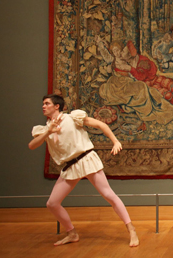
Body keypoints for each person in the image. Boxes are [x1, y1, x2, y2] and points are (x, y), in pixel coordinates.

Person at [29, 94, 139, 247]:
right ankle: (71, 232)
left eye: (47, 103)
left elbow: (101, 125)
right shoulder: (44, 129)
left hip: (86, 159)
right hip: (70, 166)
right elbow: (32, 145)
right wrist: (49, 131)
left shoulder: (72, 118)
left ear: (57, 106)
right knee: (52, 203)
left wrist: (115, 141)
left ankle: (131, 229)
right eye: (43, 104)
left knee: (108, 195)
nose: (43, 106)